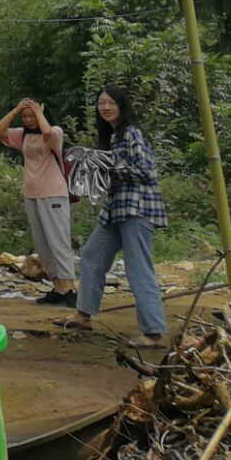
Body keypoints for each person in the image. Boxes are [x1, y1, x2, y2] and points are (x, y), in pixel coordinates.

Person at [59, 84, 167, 343]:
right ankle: (83, 316)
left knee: (138, 269)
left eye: (111, 103)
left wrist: (108, 165)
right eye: (101, 103)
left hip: (137, 209)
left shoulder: (131, 133)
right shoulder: (113, 136)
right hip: (115, 210)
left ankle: (152, 332)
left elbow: (146, 171)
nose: (105, 107)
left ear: (121, 106)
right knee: (91, 257)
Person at [0, 97, 75, 305]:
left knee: (58, 241)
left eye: (32, 116)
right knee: (42, 243)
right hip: (31, 193)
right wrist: (16, 110)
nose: (29, 120)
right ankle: (58, 288)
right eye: (25, 116)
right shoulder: (23, 135)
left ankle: (69, 289)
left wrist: (39, 112)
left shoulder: (55, 132)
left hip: (53, 193)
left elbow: (46, 133)